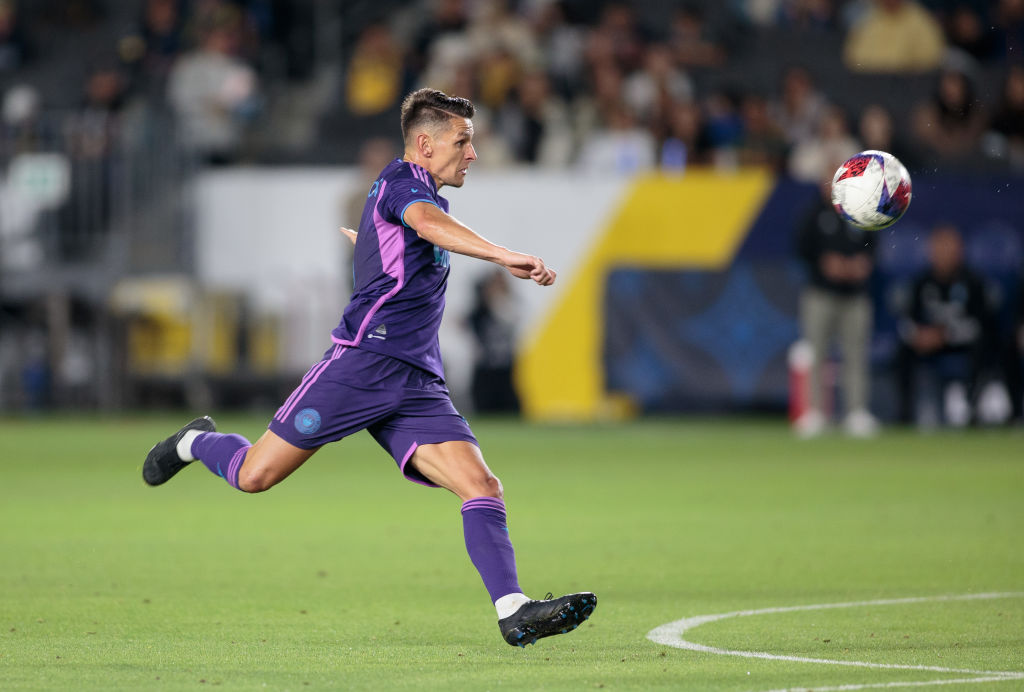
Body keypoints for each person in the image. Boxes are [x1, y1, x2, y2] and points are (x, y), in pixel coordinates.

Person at [142, 88, 596, 647]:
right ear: (424, 145)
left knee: (481, 485)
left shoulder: (417, 196)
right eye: (463, 141)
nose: (472, 153)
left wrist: (373, 246)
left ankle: (513, 610)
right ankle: (193, 442)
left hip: (416, 380)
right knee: (254, 475)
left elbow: (408, 238)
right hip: (362, 364)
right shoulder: (405, 185)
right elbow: (423, 221)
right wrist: (504, 255)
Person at [794, 171, 879, 438]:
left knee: (856, 353)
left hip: (855, 296)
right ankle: (814, 412)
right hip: (820, 294)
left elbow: (873, 248)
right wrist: (825, 262)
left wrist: (859, 265)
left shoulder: (862, 210)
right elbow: (801, 248)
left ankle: (856, 412)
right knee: (816, 353)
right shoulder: (813, 214)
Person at [895, 224, 993, 426]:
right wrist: (918, 335)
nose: (943, 254)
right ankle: (905, 414)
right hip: (928, 344)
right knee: (902, 352)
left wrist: (945, 335)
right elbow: (906, 320)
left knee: (984, 348)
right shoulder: (921, 281)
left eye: (948, 248)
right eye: (938, 248)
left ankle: (973, 411)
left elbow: (982, 324)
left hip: (961, 342)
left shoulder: (973, 282)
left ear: (959, 251)